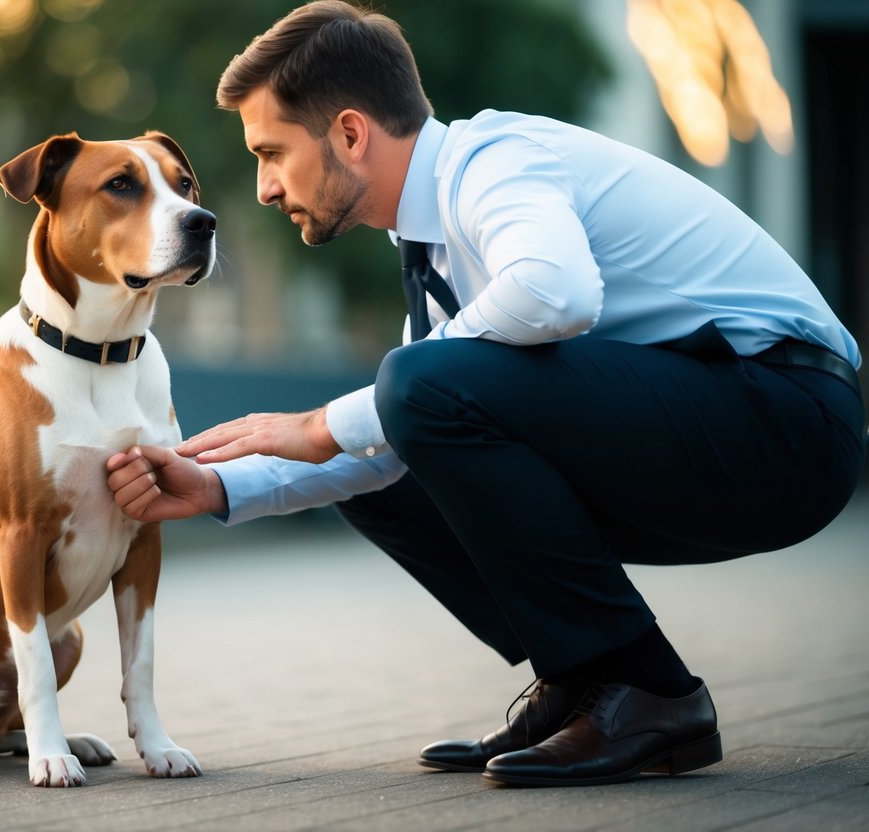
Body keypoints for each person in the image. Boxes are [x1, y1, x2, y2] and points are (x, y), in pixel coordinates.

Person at [105, 0, 865, 787]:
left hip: (787, 419)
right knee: (387, 438)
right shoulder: (430, 246)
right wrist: (216, 485)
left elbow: (556, 292)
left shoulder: (493, 159)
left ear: (351, 133)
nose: (262, 188)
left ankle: (643, 687)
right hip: (716, 427)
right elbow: (393, 431)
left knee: (401, 394)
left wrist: (327, 423)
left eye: (271, 153)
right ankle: (582, 681)